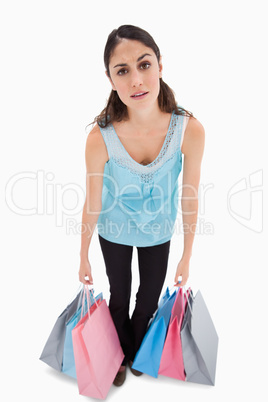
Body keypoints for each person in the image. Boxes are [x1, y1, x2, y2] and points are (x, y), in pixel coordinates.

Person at [79, 25, 205, 387]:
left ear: (160, 66)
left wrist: (187, 255)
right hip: (113, 228)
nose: (136, 79)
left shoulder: (189, 129)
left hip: (158, 231)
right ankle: (118, 352)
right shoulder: (99, 136)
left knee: (148, 298)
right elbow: (93, 199)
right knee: (119, 295)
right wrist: (83, 252)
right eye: (122, 70)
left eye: (144, 64)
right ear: (111, 79)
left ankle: (135, 348)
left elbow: (190, 195)